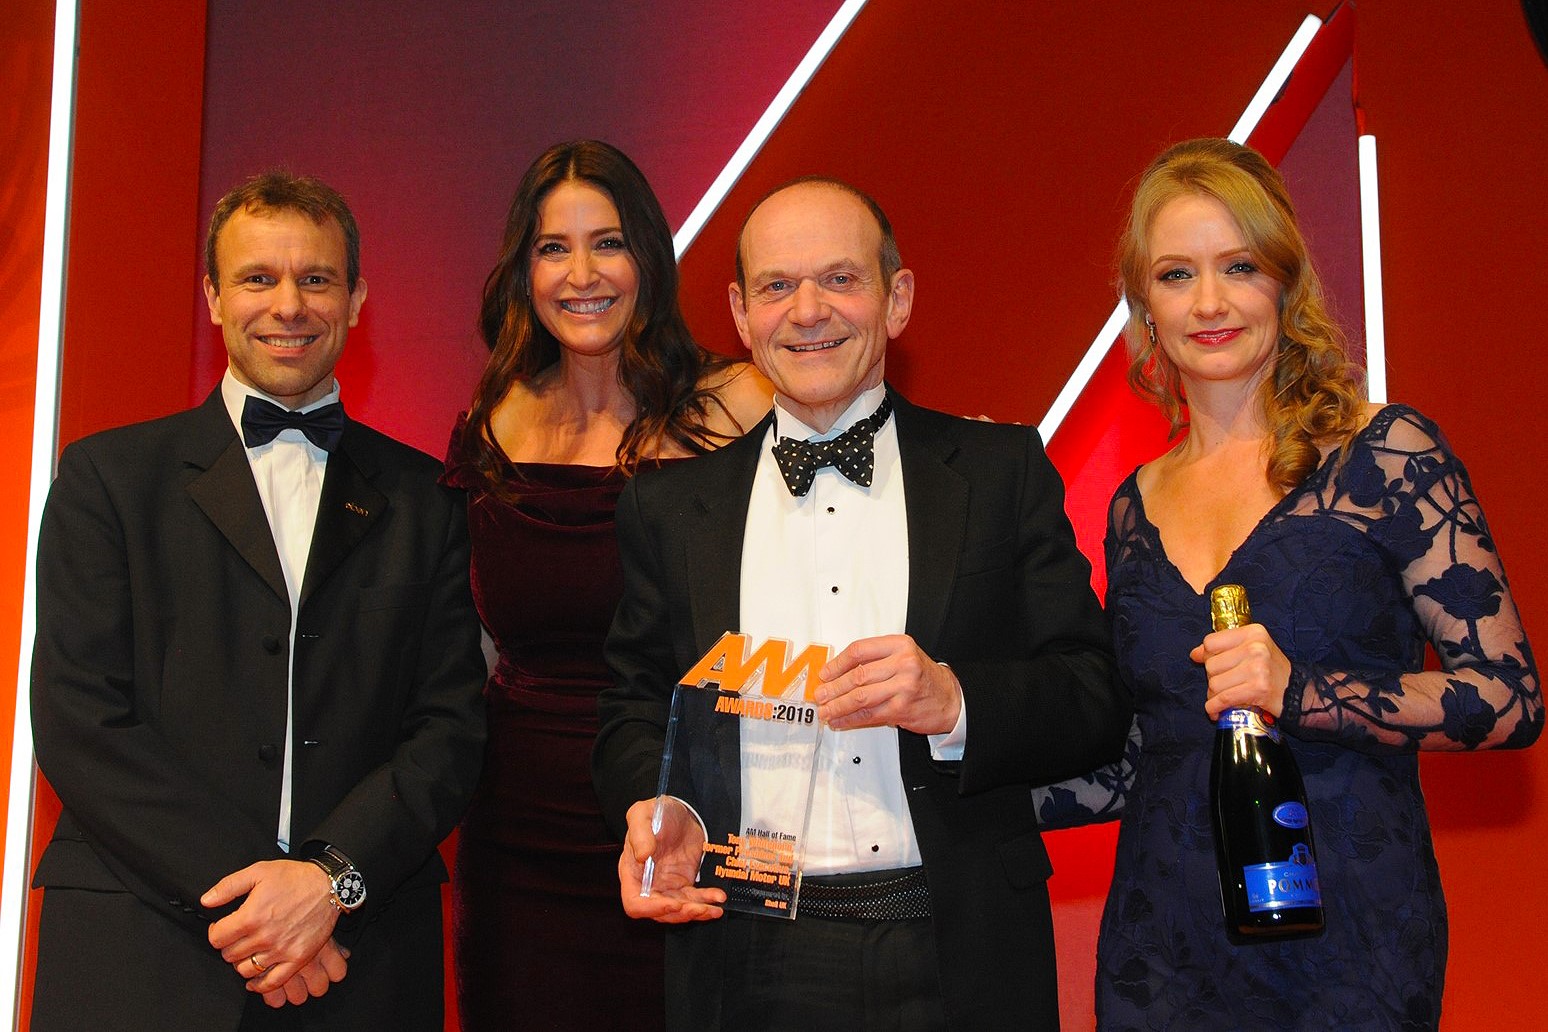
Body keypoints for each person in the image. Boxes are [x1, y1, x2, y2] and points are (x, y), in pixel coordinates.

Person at [592, 176, 1130, 1031]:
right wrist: (663, 805)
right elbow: (632, 705)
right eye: (776, 286)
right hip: (745, 952)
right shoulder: (667, 508)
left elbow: (1095, 695)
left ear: (897, 297)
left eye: (840, 279)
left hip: (957, 946)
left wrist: (954, 701)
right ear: (738, 313)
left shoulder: (999, 472)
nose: (808, 311)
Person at [1035, 137, 1542, 1029]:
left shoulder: (1385, 454)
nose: (1212, 302)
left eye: (1239, 266)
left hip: (1352, 937)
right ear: (1144, 305)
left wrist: (1302, 693)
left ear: (1285, 280)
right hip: (1164, 947)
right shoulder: (1130, 506)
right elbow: (1141, 757)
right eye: (1177, 275)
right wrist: (946, 782)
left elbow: (1508, 699)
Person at [30, 172, 488, 1030]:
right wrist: (264, 899)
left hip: (361, 954)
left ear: (357, 300)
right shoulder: (108, 480)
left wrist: (326, 881)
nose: (289, 305)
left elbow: (449, 728)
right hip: (141, 949)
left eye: (316, 279)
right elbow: (79, 717)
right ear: (212, 295)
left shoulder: (431, 498)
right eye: (257, 278)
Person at [442, 139, 772, 1030]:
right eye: (554, 248)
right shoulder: (491, 420)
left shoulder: (737, 406)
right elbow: (454, 641)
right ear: (524, 270)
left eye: (609, 242)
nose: (582, 273)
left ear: (649, 261)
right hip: (518, 838)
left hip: (693, 818)